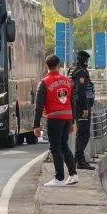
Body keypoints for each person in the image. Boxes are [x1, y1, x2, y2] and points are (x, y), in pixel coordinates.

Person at [33, 54, 78, 187]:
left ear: (46, 66)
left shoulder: (44, 82)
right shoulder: (68, 81)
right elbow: (72, 103)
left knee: (55, 147)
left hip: (54, 118)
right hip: (67, 117)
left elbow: (39, 105)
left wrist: (36, 125)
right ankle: (73, 174)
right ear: (59, 65)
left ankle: (59, 178)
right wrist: (72, 121)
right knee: (64, 146)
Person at [68, 50, 96, 170]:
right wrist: (85, 108)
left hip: (74, 105)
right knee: (84, 133)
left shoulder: (71, 70)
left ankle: (77, 159)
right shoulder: (81, 73)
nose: (87, 63)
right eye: (87, 61)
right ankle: (79, 160)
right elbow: (81, 92)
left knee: (81, 132)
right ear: (84, 61)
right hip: (81, 106)